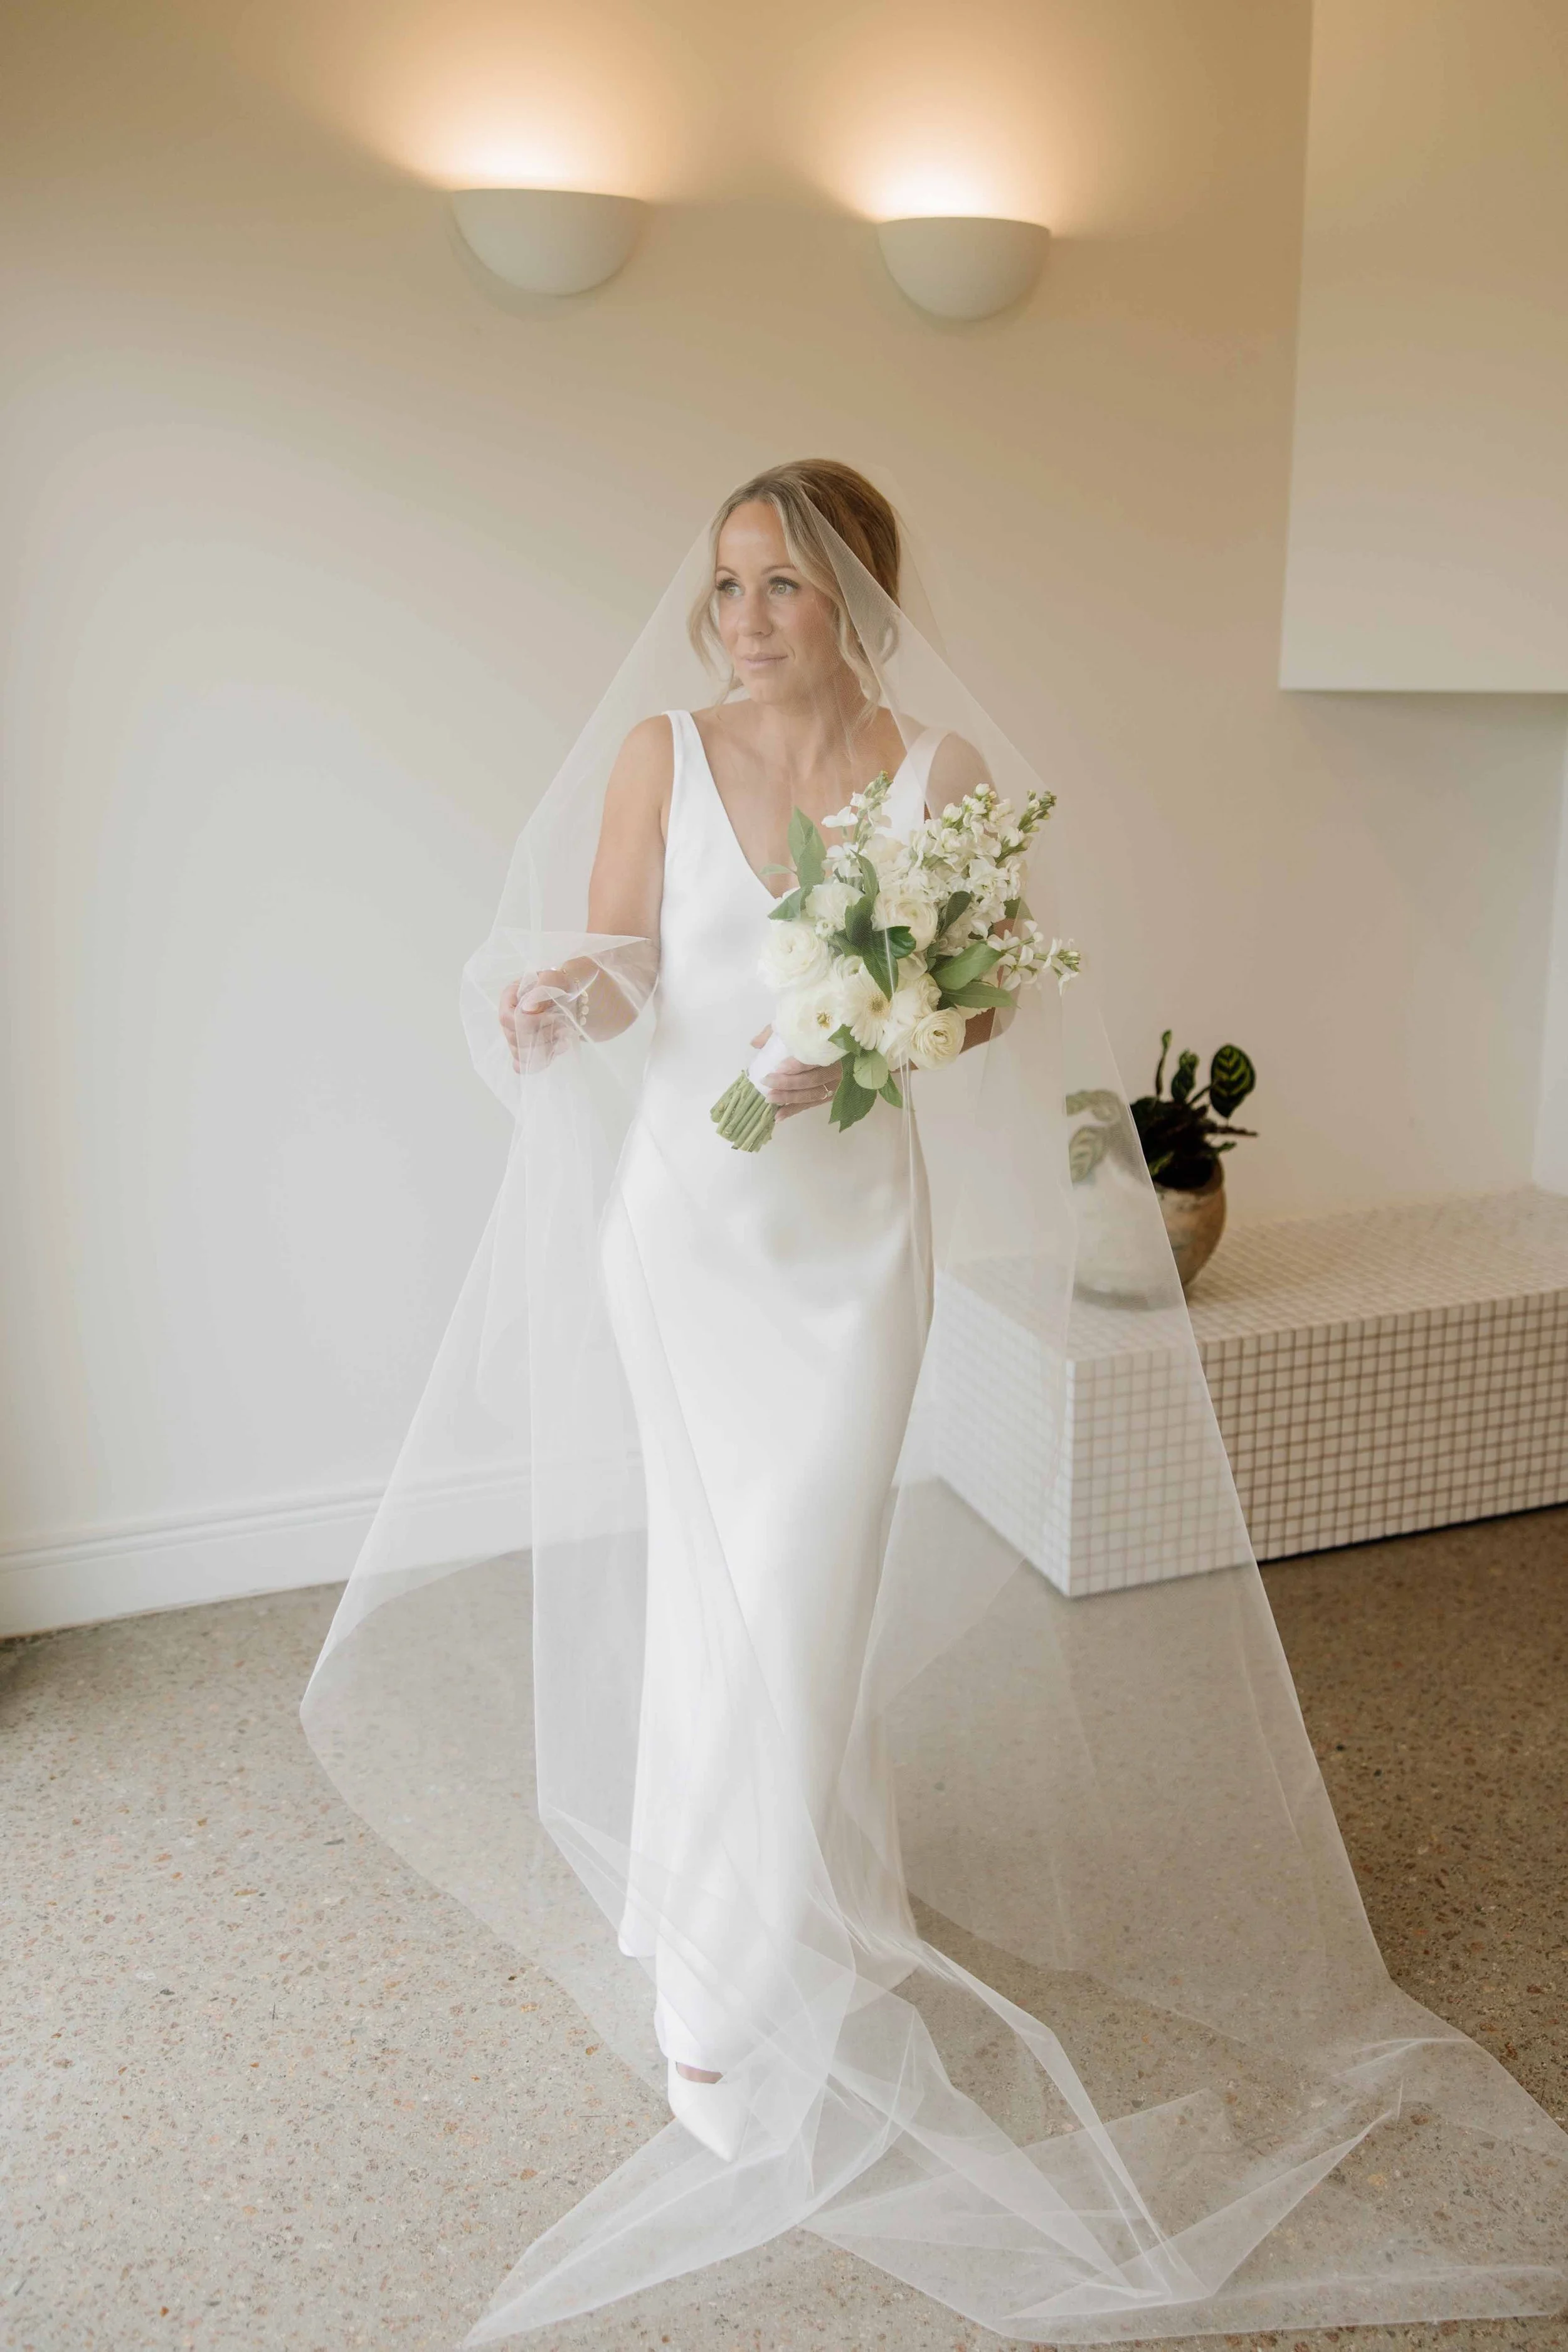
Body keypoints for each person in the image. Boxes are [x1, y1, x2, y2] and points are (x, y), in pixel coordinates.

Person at [303, 462, 1568, 2344]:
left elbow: (978, 1005)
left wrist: (876, 1031)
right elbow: (629, 963)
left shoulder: (937, 773)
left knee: (804, 1582)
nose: (743, 618)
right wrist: (561, 1002)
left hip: (848, 1249)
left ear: (858, 600)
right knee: (724, 1579)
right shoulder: (661, 753)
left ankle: (757, 1908)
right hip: (685, 1226)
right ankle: (717, 1988)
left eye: (782, 587)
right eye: (727, 584)